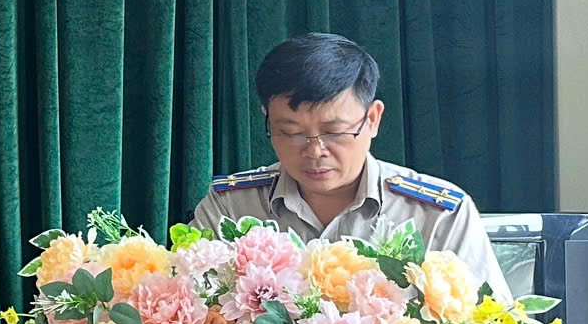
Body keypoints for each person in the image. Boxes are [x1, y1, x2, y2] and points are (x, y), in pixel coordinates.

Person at [189, 32, 512, 297]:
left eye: (334, 132)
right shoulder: (230, 207)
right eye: (291, 132)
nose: (315, 151)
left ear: (372, 119)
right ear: (268, 119)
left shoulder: (438, 215)